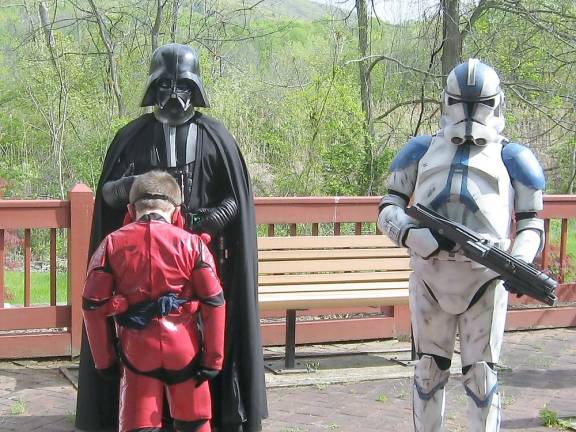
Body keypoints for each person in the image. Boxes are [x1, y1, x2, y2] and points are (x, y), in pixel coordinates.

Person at [76, 43, 267, 432]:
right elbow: (109, 194)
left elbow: (237, 198)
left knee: (207, 327)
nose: (174, 95)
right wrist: (134, 185)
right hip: (142, 267)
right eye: (164, 86)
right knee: (141, 346)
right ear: (152, 88)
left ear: (195, 88)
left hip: (202, 256)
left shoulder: (216, 138)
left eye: (182, 85)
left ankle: (206, 409)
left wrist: (212, 220)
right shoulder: (132, 138)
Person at [377, 59, 545, 432]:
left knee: (482, 377)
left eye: (480, 103)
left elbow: (532, 222)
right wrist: (410, 234)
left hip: (485, 279)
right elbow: (388, 207)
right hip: (430, 276)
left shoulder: (513, 157)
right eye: (462, 102)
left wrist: (517, 261)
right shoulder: (420, 150)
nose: (470, 114)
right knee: (427, 372)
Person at [82, 171, 225, 432]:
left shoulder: (111, 244)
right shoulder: (193, 245)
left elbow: (92, 306)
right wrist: (213, 359)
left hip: (136, 351)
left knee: (138, 426)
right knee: (195, 424)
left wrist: (104, 360)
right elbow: (214, 303)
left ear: (130, 208)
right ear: (176, 211)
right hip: (186, 350)